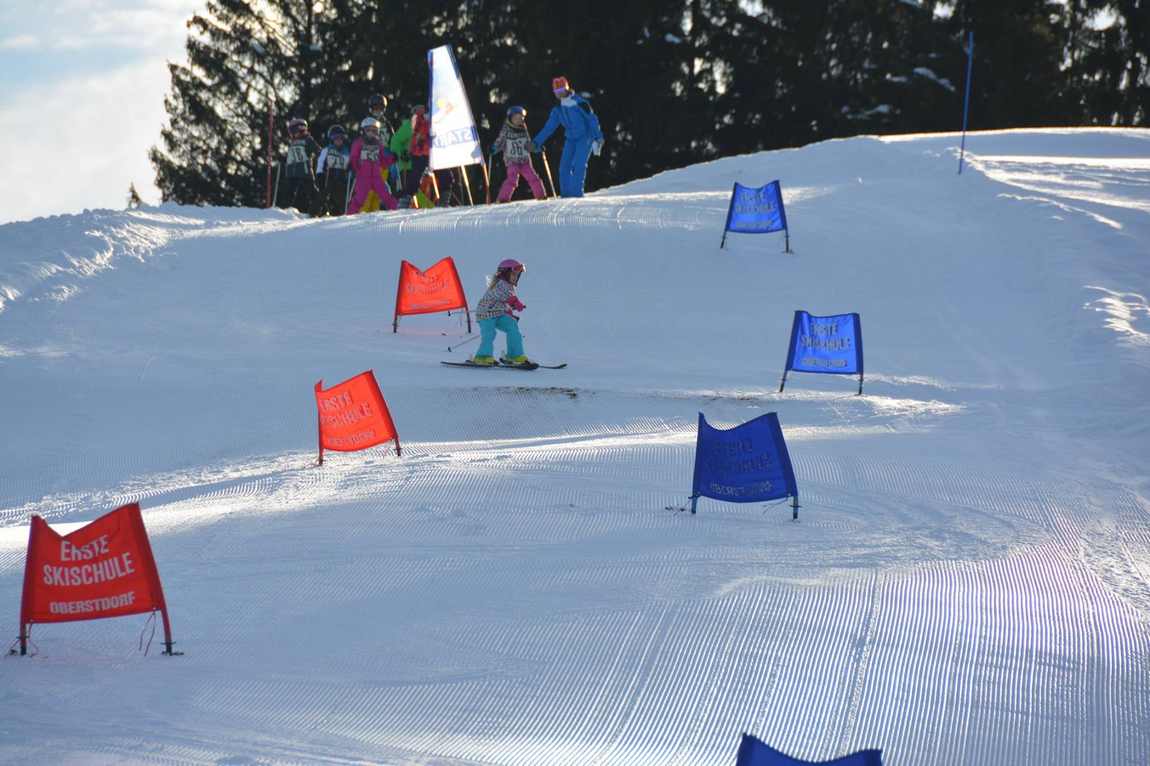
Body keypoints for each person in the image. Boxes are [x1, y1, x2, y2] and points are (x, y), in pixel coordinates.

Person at [532, 76, 603, 198]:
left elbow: (592, 120)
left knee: (579, 165)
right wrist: (536, 142)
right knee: (564, 166)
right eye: (556, 92)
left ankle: (576, 194)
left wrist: (598, 136)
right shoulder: (558, 108)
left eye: (561, 90)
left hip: (585, 137)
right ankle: (565, 195)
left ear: (567, 89)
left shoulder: (580, 103)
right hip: (570, 138)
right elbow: (549, 128)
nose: (559, 94)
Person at [472, 259, 529, 366]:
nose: (516, 277)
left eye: (517, 275)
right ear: (505, 273)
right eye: (514, 274)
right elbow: (503, 296)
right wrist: (515, 302)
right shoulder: (499, 284)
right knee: (490, 333)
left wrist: (510, 311)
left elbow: (504, 302)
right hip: (485, 314)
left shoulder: (509, 286)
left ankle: (514, 355)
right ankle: (483, 356)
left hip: (498, 313)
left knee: (513, 327)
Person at [492, 106, 546, 203]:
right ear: (510, 118)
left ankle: (541, 195)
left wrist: (537, 148)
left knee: (533, 177)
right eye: (516, 118)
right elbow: (500, 142)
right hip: (512, 161)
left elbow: (528, 145)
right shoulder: (506, 130)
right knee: (512, 179)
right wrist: (493, 149)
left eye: (521, 118)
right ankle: (503, 198)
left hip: (525, 160)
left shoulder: (524, 130)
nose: (519, 120)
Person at [347, 117, 398, 213]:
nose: (371, 133)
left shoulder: (378, 144)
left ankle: (396, 211)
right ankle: (350, 214)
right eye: (368, 130)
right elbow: (354, 157)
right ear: (363, 131)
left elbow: (382, 161)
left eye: (374, 131)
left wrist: (392, 158)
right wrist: (353, 165)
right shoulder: (358, 143)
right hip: (363, 176)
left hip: (376, 176)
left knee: (386, 195)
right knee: (360, 198)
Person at [390, 104, 433, 207]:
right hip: (407, 163)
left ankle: (425, 206)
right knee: (412, 187)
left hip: (423, 161)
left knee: (420, 187)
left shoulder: (429, 126)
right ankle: (404, 204)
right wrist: (401, 153)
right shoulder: (410, 125)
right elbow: (395, 141)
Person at [280, 117, 321, 214]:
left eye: (292, 132)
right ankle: (284, 211)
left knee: (312, 192)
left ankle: (318, 210)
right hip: (292, 172)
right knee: (289, 192)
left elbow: (318, 151)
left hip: (304, 171)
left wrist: (322, 159)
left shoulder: (307, 140)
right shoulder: (293, 142)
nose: (292, 134)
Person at [316, 124, 352, 215]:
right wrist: (320, 175)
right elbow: (320, 162)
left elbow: (351, 164)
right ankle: (316, 211)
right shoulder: (327, 150)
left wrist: (351, 171)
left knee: (341, 197)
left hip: (342, 177)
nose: (338, 140)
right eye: (335, 138)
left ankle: (341, 212)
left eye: (340, 137)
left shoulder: (347, 151)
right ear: (331, 139)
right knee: (324, 194)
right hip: (329, 176)